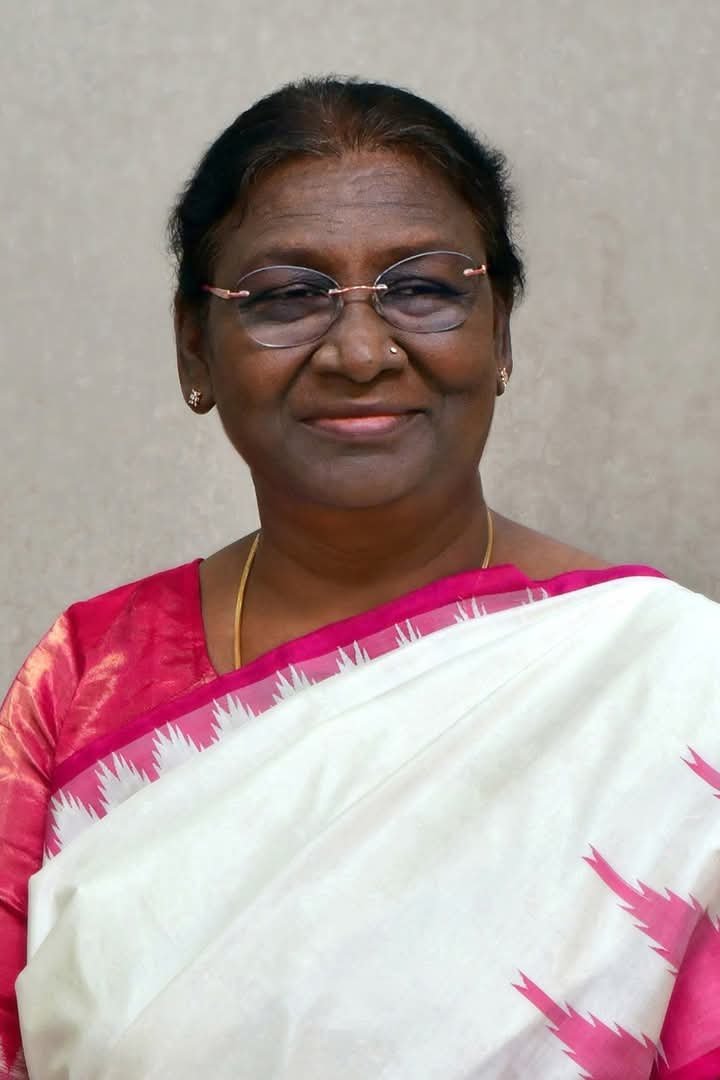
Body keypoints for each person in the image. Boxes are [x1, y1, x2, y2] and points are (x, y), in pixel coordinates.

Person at [1, 77, 718, 1080]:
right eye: (285, 296)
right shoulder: (85, 680)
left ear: (501, 331)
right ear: (194, 349)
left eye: (423, 288)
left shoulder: (676, 685)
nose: (361, 351)